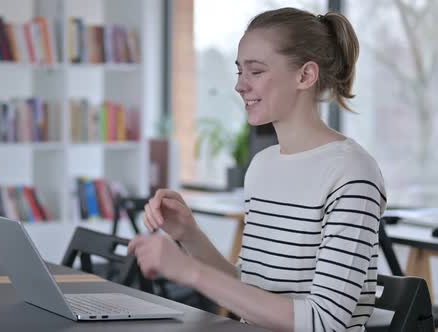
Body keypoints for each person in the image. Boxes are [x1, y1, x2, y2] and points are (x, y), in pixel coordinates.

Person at [128, 7, 386, 332]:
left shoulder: (352, 173)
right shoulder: (262, 166)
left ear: (305, 76)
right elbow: (252, 292)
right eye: (239, 72)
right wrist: (188, 235)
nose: (240, 86)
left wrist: (189, 271)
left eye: (256, 71)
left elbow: (325, 321)